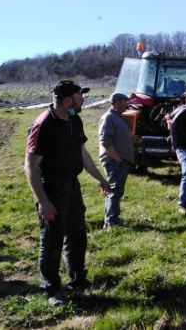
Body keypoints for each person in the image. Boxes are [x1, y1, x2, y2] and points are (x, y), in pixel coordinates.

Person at [24, 80, 110, 306]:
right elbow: (30, 166)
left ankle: (78, 279)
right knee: (52, 239)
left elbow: (82, 153)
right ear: (67, 100)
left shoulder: (75, 120)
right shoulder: (44, 124)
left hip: (72, 186)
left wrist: (100, 178)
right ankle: (51, 289)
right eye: (80, 96)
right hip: (51, 189)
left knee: (77, 235)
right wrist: (42, 201)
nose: (84, 99)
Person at [98, 92, 134, 230]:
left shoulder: (118, 117)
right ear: (117, 102)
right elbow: (105, 142)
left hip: (120, 160)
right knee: (114, 191)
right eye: (125, 102)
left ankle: (112, 219)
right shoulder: (108, 118)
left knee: (116, 191)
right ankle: (111, 222)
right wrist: (118, 160)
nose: (127, 104)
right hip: (114, 161)